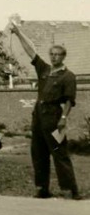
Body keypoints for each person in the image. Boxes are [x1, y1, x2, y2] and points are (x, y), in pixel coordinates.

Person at [10, 21, 81, 199]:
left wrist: (63, 118)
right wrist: (18, 33)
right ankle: (42, 188)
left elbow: (69, 101)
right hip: (39, 118)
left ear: (63, 56)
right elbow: (31, 51)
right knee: (38, 153)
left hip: (55, 118)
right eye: (52, 54)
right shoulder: (44, 69)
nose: (54, 57)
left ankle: (70, 190)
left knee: (59, 153)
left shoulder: (68, 76)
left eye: (57, 54)